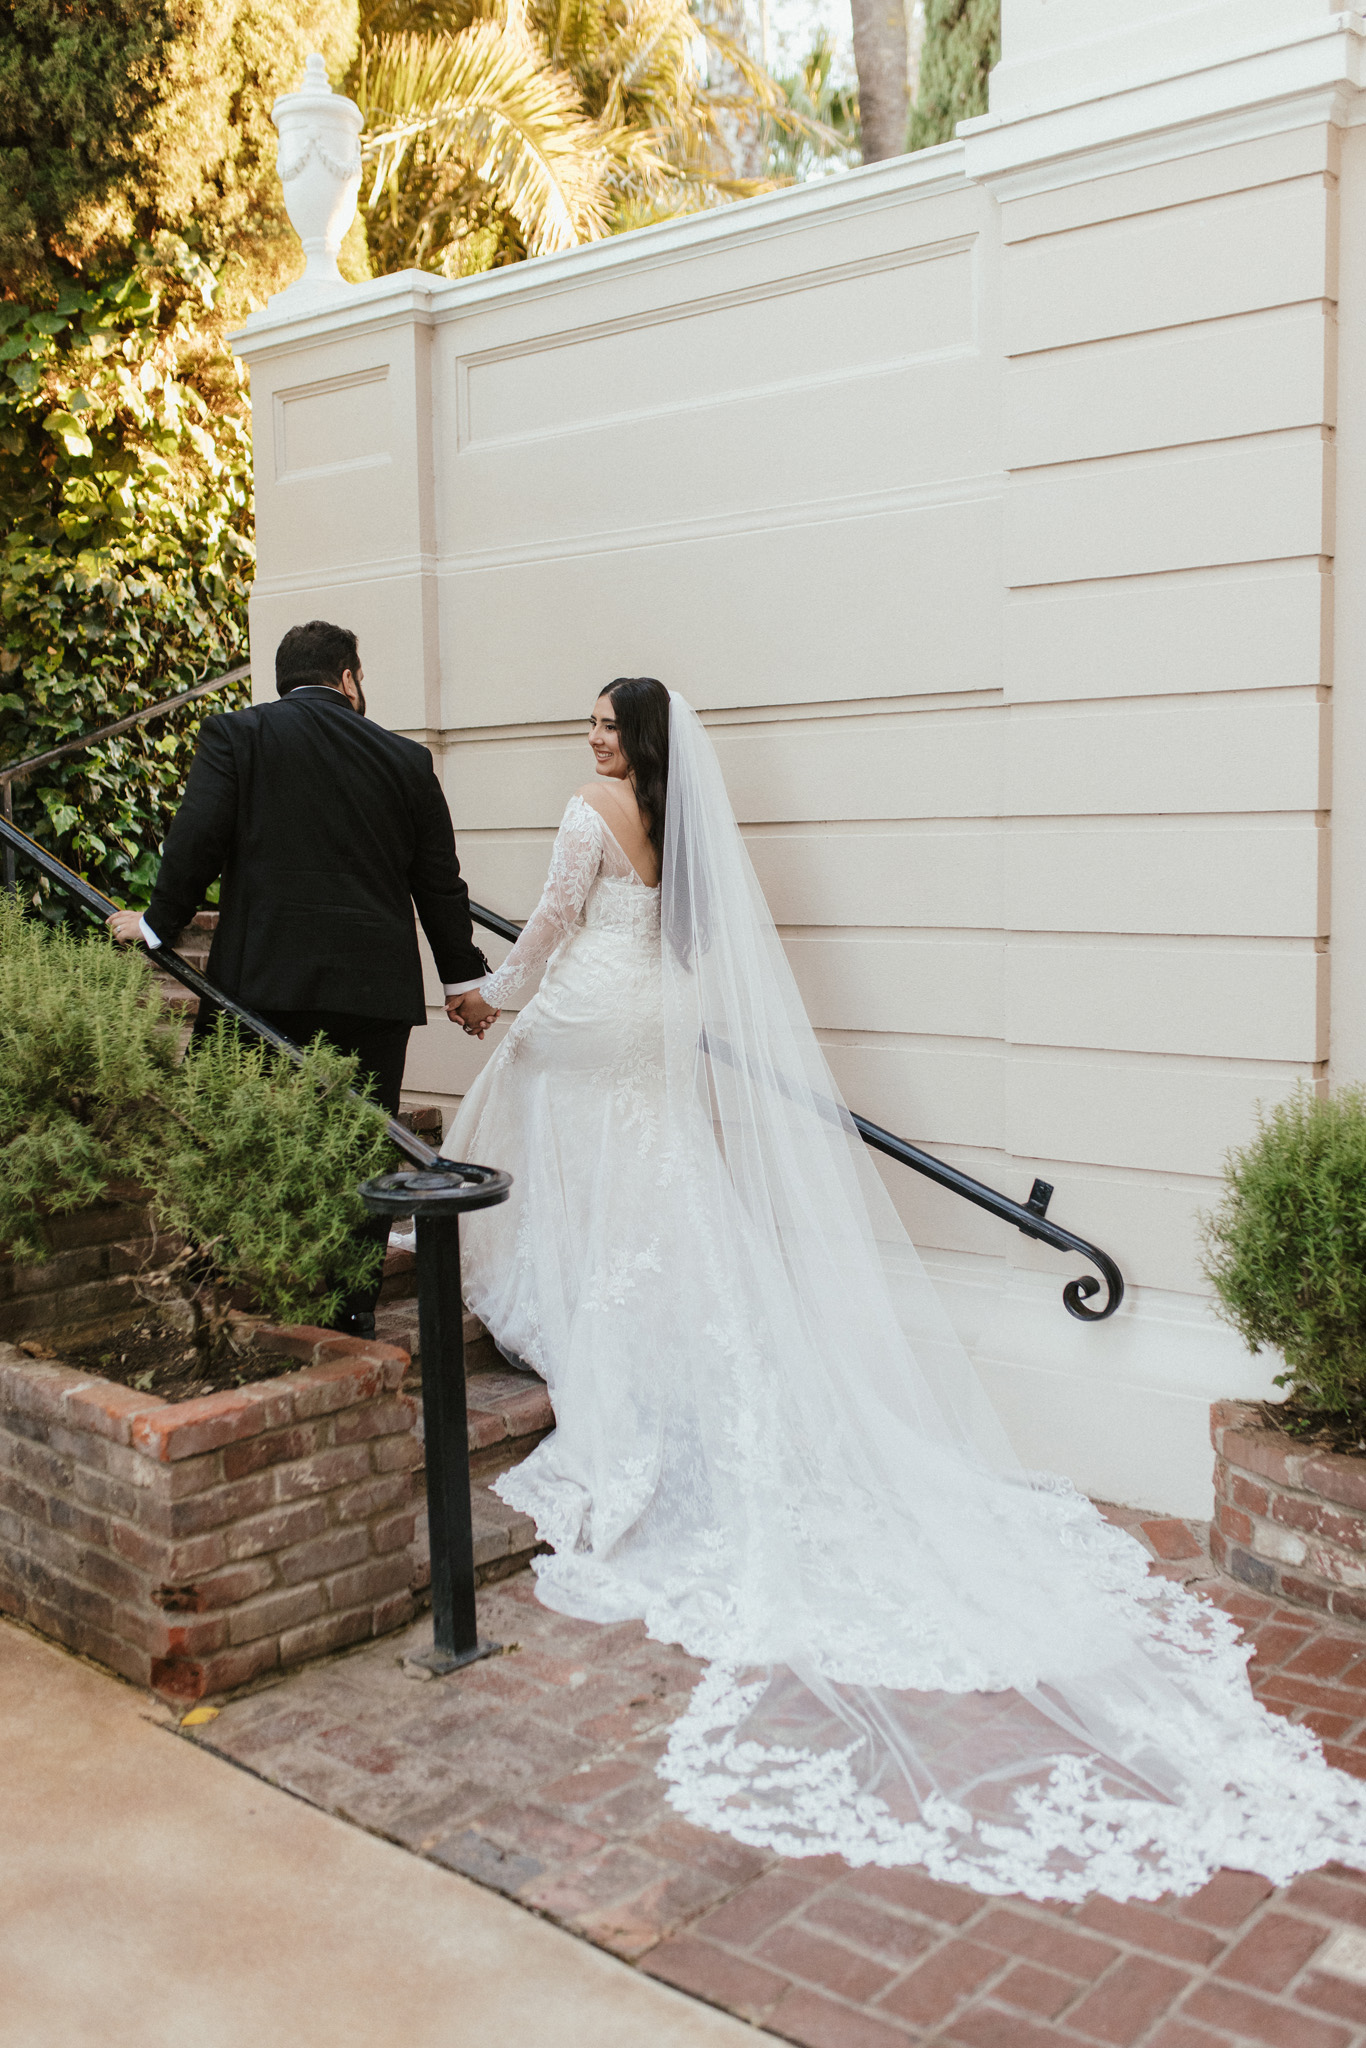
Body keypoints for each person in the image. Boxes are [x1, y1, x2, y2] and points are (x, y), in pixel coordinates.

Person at [447, 675, 1366, 1900]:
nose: (593, 736)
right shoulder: (679, 817)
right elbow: (691, 938)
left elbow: (549, 928)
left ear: (634, 740)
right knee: (657, 1182)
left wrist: (490, 998)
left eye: (609, 724)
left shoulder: (584, 808)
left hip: (592, 1015)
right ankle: (643, 1324)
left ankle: (565, 1313)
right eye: (594, 724)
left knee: (528, 1094)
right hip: (659, 1019)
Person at [107, 620, 490, 1334]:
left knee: (222, 1129)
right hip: (372, 994)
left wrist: (157, 923)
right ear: (348, 678)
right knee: (361, 1142)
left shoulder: (237, 736)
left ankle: (223, 1287)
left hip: (261, 987)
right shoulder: (407, 759)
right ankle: (351, 1309)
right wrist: (461, 982)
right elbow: (440, 883)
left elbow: (197, 838)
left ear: (285, 679)